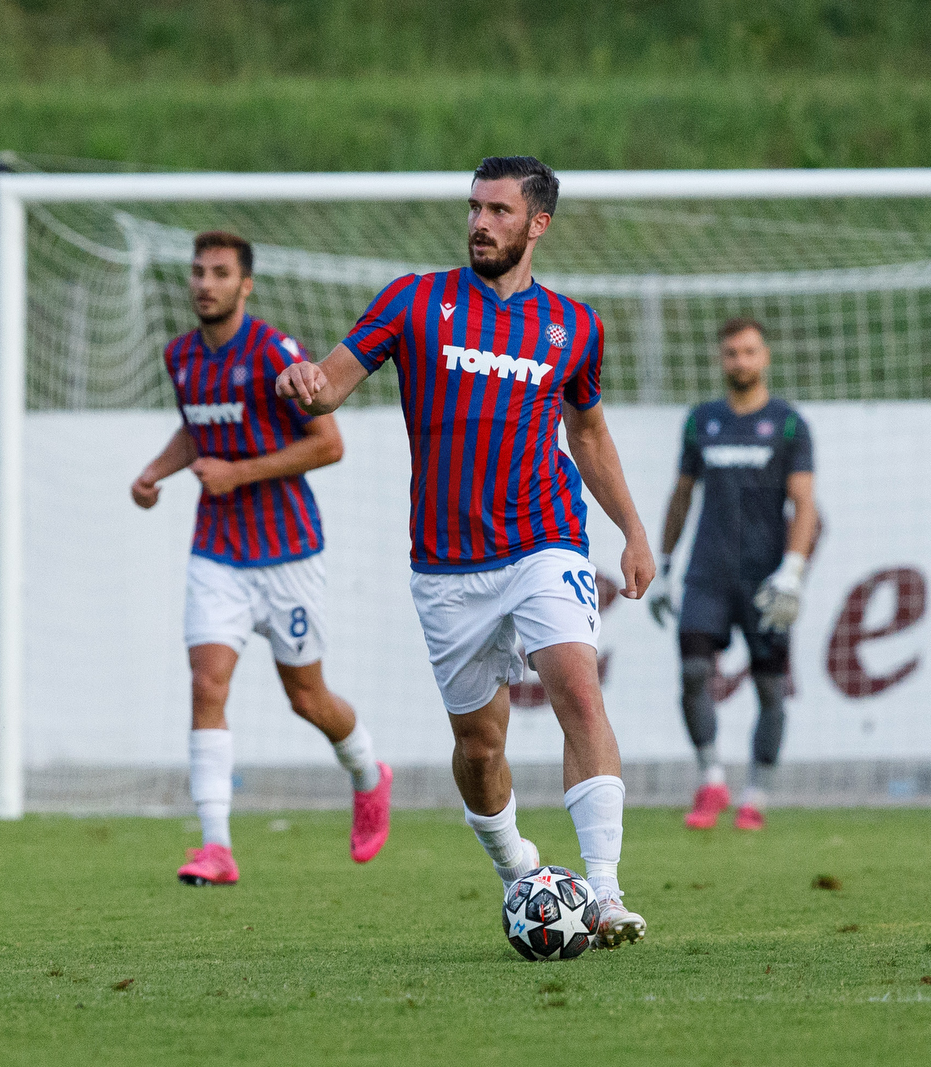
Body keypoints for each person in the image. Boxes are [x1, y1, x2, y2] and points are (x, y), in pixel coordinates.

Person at [275, 157, 655, 948]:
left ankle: (608, 892)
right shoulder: (415, 301)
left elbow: (586, 432)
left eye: (499, 211)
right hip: (447, 568)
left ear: (537, 224)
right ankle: (519, 869)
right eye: (474, 207)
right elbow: (332, 384)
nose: (480, 223)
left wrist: (632, 528)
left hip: (543, 539)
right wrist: (305, 380)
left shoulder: (574, 327)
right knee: (481, 748)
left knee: (579, 693)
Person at [131, 230, 391, 887]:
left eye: (220, 272)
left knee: (307, 698)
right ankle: (215, 845)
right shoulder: (181, 356)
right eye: (198, 272)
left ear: (245, 285)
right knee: (206, 683)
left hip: (288, 553)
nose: (205, 283)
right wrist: (156, 472)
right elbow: (198, 428)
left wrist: (238, 474)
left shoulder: (276, 352)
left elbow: (328, 444)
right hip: (216, 552)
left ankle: (367, 770)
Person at [649, 318, 816, 831]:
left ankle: (757, 793)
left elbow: (805, 503)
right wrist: (666, 567)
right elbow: (681, 495)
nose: (739, 361)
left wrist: (792, 570)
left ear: (764, 357)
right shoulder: (701, 420)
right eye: (730, 353)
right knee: (694, 673)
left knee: (770, 689)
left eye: (748, 352)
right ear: (721, 360)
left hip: (765, 580)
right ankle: (712, 779)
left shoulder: (789, 423)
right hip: (708, 574)